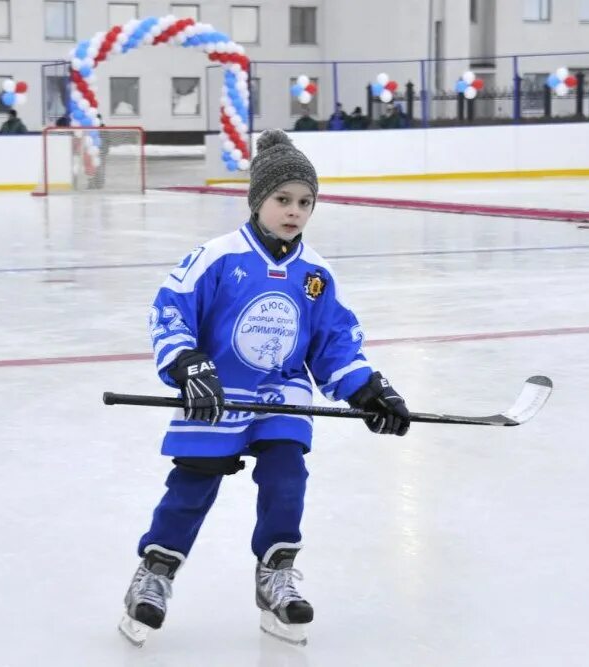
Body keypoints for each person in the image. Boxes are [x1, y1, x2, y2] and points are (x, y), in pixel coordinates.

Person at [118, 129, 411, 648]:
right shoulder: (218, 256)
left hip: (282, 394)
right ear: (258, 200)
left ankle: (276, 575)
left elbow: (334, 342)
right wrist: (187, 363)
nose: (294, 211)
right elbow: (171, 309)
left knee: (286, 478)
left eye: (305, 202)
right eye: (283, 199)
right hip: (218, 392)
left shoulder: (315, 273)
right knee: (193, 486)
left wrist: (367, 387)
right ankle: (155, 572)